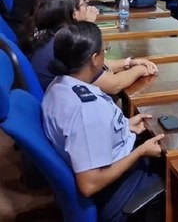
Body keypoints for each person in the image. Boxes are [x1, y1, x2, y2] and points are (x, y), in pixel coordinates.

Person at [41, 22, 165, 222]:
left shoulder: (59, 85)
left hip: (111, 170)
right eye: (103, 51)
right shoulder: (85, 111)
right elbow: (89, 184)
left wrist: (125, 127)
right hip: (120, 196)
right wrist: (140, 152)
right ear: (94, 59)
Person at [23, 0, 157, 92]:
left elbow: (94, 63)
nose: (86, 6)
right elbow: (114, 85)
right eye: (83, 4)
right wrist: (141, 70)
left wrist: (129, 63)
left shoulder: (54, 34)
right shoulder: (68, 43)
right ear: (74, 13)